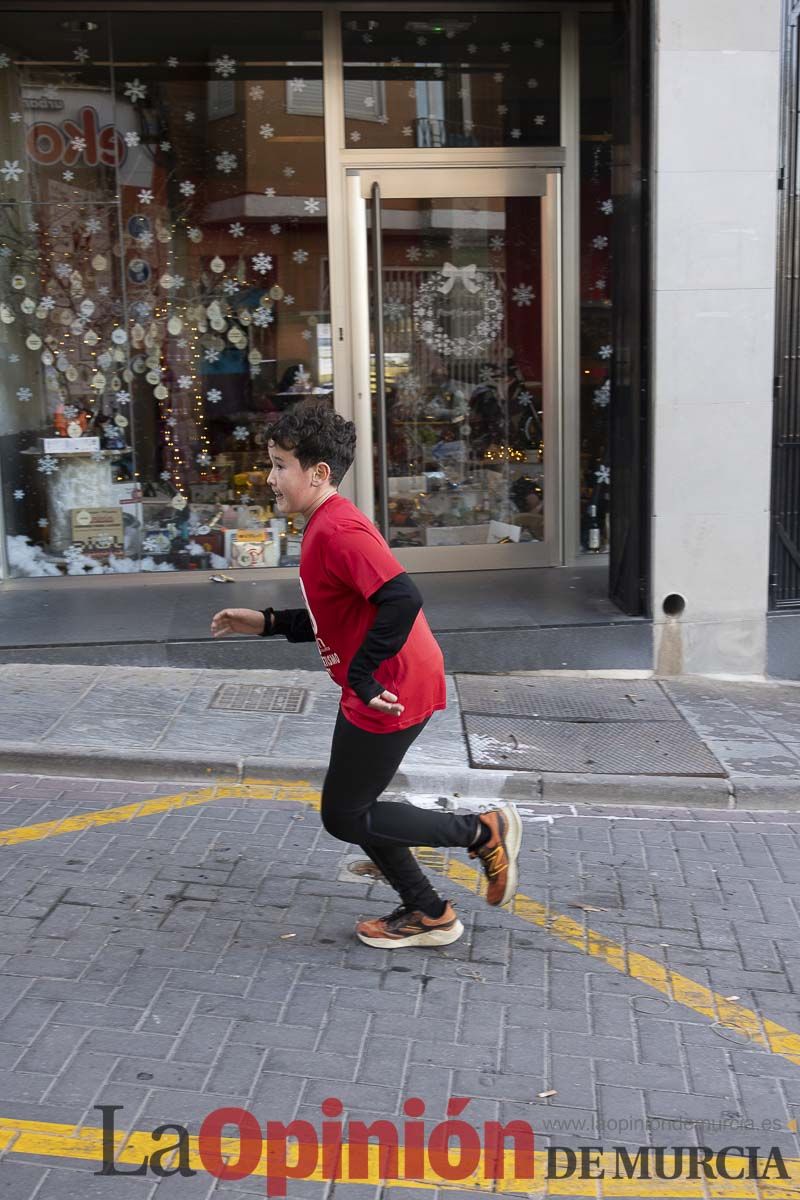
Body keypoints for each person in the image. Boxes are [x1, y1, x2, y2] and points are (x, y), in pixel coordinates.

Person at [211, 401, 522, 949]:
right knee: (359, 808)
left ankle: (480, 831)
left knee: (346, 814)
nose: (270, 476)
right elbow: (341, 614)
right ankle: (429, 912)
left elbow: (402, 599)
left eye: (280, 464)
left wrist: (360, 675)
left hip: (390, 688)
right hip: (385, 682)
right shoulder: (324, 525)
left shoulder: (339, 530)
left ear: (318, 472)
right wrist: (264, 623)